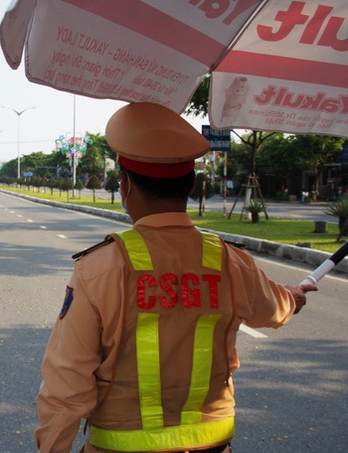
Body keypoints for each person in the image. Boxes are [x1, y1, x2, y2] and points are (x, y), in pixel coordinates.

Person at [35, 102, 317, 453]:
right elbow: (274, 309)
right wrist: (296, 295)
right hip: (211, 445)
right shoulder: (230, 261)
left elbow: (66, 387)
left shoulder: (100, 269)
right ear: (193, 185)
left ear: (125, 185)